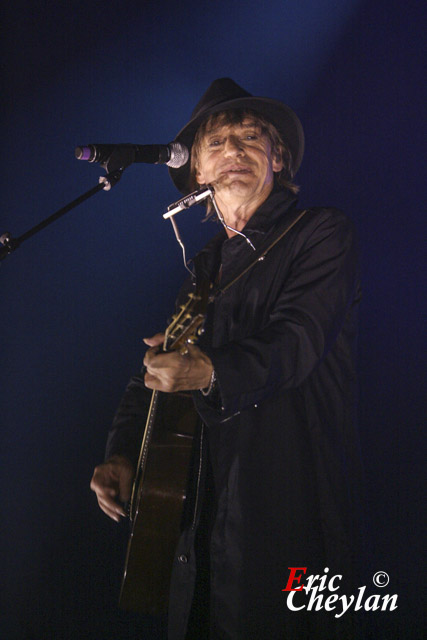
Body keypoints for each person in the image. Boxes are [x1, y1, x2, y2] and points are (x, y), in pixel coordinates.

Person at [91, 78, 366, 639]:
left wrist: (211, 369)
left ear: (278, 158)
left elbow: (297, 342)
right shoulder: (207, 267)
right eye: (216, 142)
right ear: (197, 171)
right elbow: (152, 372)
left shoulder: (320, 233)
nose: (234, 151)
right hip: (203, 525)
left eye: (251, 138)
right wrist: (122, 455)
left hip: (289, 510)